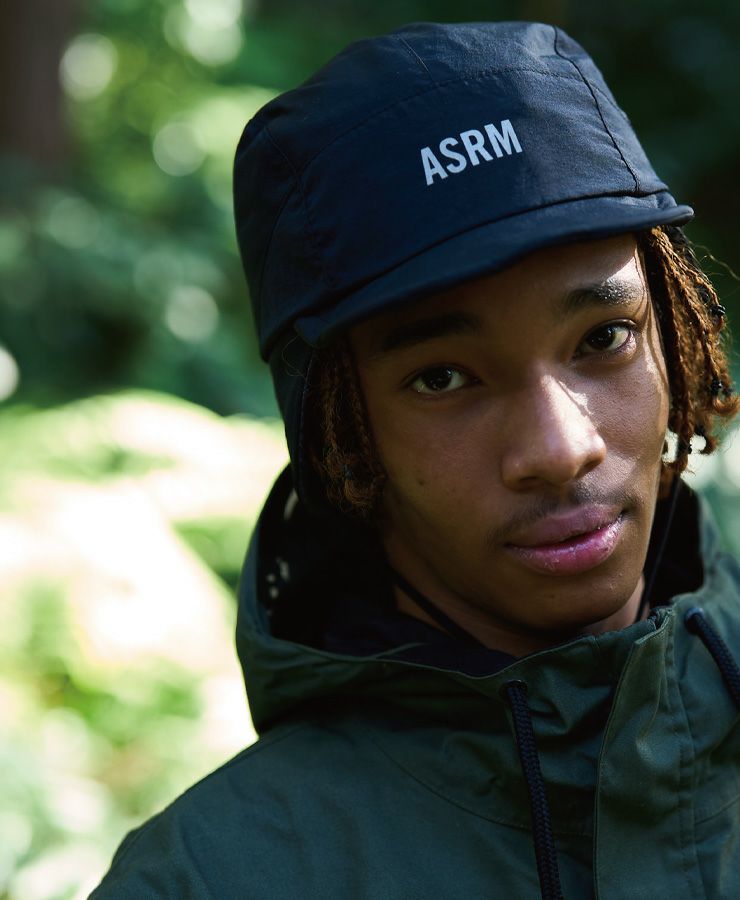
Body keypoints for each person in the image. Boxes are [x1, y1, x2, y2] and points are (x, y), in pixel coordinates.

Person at [91, 21, 740, 900]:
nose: (560, 449)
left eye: (604, 338)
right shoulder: (208, 880)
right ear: (340, 437)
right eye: (442, 378)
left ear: (674, 332)